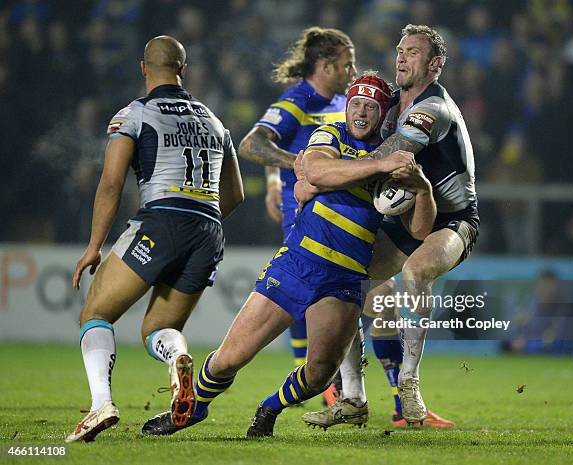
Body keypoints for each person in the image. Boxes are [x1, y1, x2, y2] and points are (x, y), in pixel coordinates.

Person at [141, 74, 423, 438]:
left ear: (382, 112)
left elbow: (418, 229)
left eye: (371, 106)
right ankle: (191, 409)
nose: (361, 111)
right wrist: (374, 168)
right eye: (356, 102)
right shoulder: (332, 134)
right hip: (298, 264)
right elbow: (317, 169)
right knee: (231, 357)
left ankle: (269, 408)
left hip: (347, 277)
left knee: (320, 374)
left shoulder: (394, 156)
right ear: (347, 104)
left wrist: (424, 188)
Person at [65, 35, 244, 443]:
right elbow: (235, 195)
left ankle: (101, 405)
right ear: (184, 69)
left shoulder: (134, 114)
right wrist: (199, 225)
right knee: (158, 329)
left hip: (161, 220)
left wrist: (94, 245)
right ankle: (179, 358)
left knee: (94, 313)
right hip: (209, 228)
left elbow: (111, 184)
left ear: (143, 68)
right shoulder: (215, 121)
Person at [300, 24, 478, 429]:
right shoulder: (392, 104)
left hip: (453, 220)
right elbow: (348, 137)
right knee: (342, 279)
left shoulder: (433, 109)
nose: (401, 57)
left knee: (416, 271)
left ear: (434, 65)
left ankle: (409, 384)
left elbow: (389, 155)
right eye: (400, 50)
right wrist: (309, 161)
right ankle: (353, 399)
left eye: (412, 52)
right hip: (404, 216)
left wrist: (322, 175)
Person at [238, 27, 356, 382]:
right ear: (324, 65)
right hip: (304, 217)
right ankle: (308, 378)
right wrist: (296, 166)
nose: (353, 72)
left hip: (342, 218)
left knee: (339, 300)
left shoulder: (343, 103)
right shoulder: (299, 99)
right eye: (347, 65)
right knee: (303, 297)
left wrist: (274, 177)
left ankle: (331, 384)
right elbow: (252, 144)